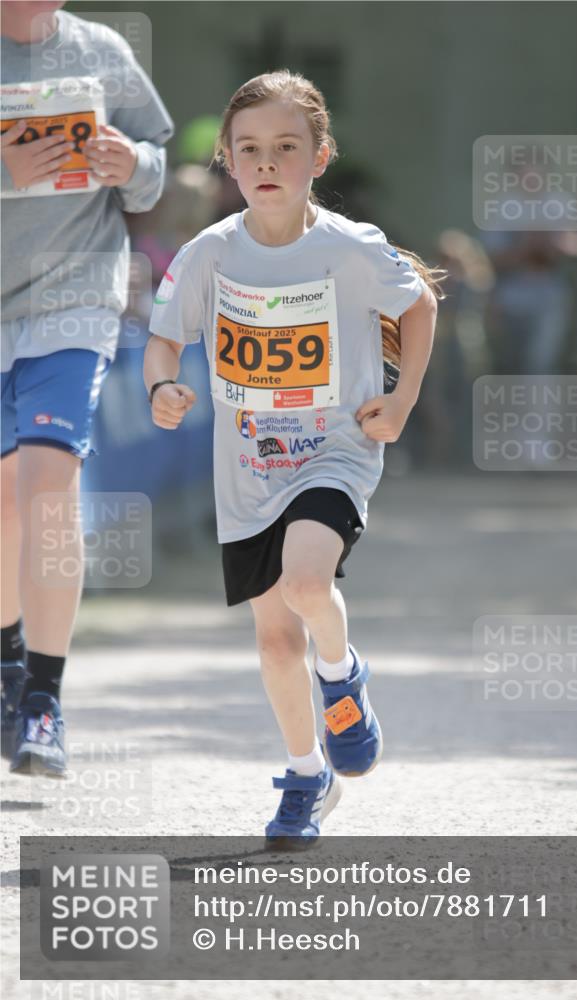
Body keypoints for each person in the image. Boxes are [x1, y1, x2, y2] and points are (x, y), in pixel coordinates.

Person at [145, 70, 441, 849]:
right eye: (249, 150)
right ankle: (306, 775)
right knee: (277, 640)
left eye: (285, 147)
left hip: (334, 452)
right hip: (247, 472)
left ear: (320, 156)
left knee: (309, 579)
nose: (266, 162)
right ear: (229, 164)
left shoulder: (349, 247)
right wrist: (163, 388)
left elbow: (419, 303)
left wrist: (402, 397)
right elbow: (163, 337)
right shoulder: (209, 253)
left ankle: (342, 676)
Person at [0, 0, 173, 774]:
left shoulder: (102, 51)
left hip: (75, 303)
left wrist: (132, 167)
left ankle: (44, 699)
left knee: (47, 483)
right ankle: (8, 667)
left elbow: (159, 162)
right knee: (5, 498)